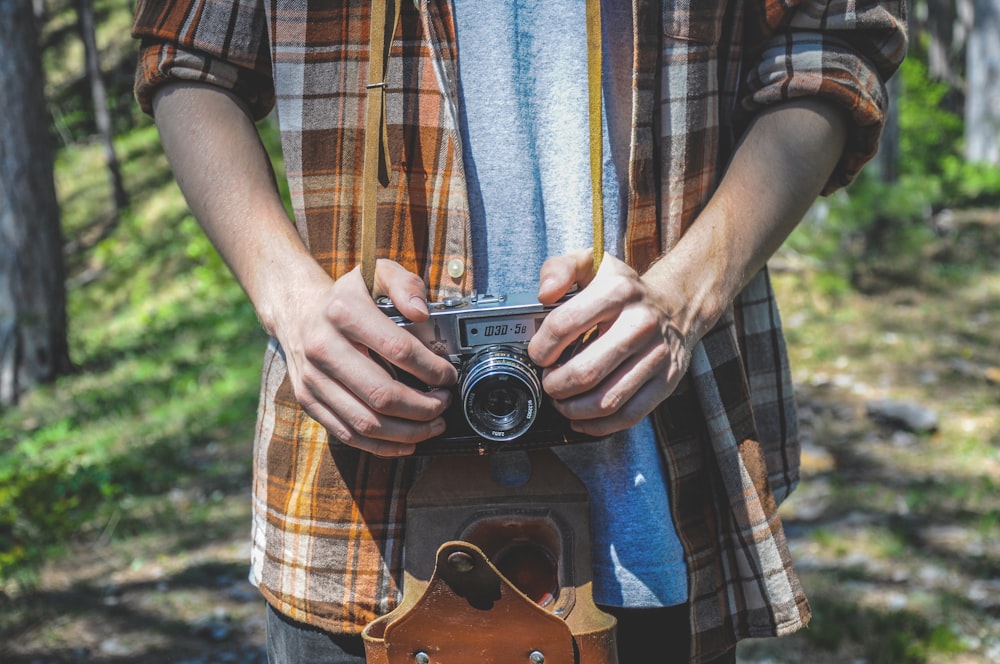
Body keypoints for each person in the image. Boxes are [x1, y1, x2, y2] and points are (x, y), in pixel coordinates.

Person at [132, 1, 907, 662]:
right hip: (354, 501)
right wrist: (293, 306)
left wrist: (685, 298)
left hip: (657, 473)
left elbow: (834, 42)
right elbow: (188, 57)